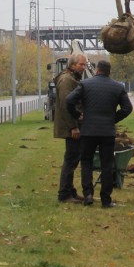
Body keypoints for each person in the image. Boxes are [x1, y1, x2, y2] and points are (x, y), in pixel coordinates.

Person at [66, 59, 133, 208]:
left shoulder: (85, 84)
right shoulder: (117, 87)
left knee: (86, 162)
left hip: (88, 130)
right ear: (109, 72)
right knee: (107, 165)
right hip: (107, 132)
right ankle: (105, 200)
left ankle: (88, 195)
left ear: (96, 70)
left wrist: (78, 116)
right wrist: (113, 119)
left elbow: (69, 100)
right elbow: (128, 108)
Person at [53, 53, 87, 203]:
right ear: (73, 65)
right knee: (71, 159)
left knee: (73, 158)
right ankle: (65, 194)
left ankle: (70, 191)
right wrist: (74, 127)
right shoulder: (67, 80)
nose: (84, 68)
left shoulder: (71, 78)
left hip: (72, 125)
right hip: (71, 126)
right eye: (82, 65)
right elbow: (66, 105)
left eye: (85, 65)